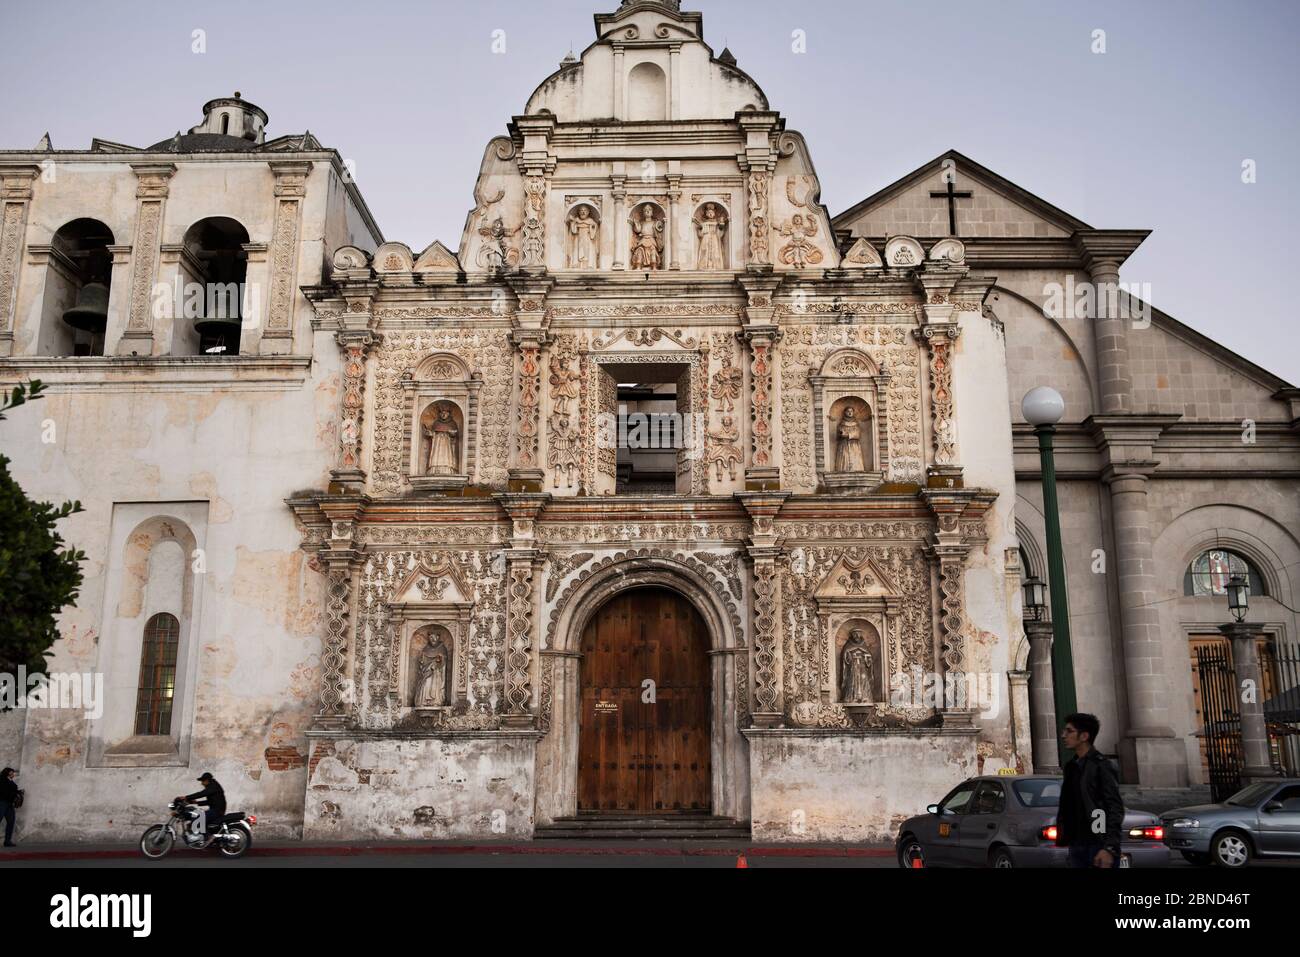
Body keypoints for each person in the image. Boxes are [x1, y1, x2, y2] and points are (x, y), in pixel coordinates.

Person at [1055, 713, 1124, 868]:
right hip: (1077, 844)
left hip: (1098, 844)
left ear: (1084, 736)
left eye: (1069, 731)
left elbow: (1114, 807)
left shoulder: (1102, 766)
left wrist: (1109, 848)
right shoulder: (1071, 766)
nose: (1064, 735)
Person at [179, 772, 226, 844]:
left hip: (217, 811)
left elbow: (201, 794)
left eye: (203, 781)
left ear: (207, 780)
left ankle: (208, 836)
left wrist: (186, 797)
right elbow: (210, 801)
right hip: (215, 809)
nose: (202, 783)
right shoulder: (212, 786)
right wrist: (196, 802)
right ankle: (200, 836)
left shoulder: (213, 786)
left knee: (198, 817)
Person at [0, 767, 19, 847]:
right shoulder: (2, 780)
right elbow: (5, 792)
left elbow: (13, 790)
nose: (13, 774)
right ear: (7, 773)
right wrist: (14, 793)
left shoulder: (10, 781)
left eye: (13, 772)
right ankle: (7, 841)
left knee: (11, 822)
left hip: (9, 804)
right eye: (12, 772)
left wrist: (19, 792)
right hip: (2, 803)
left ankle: (7, 841)